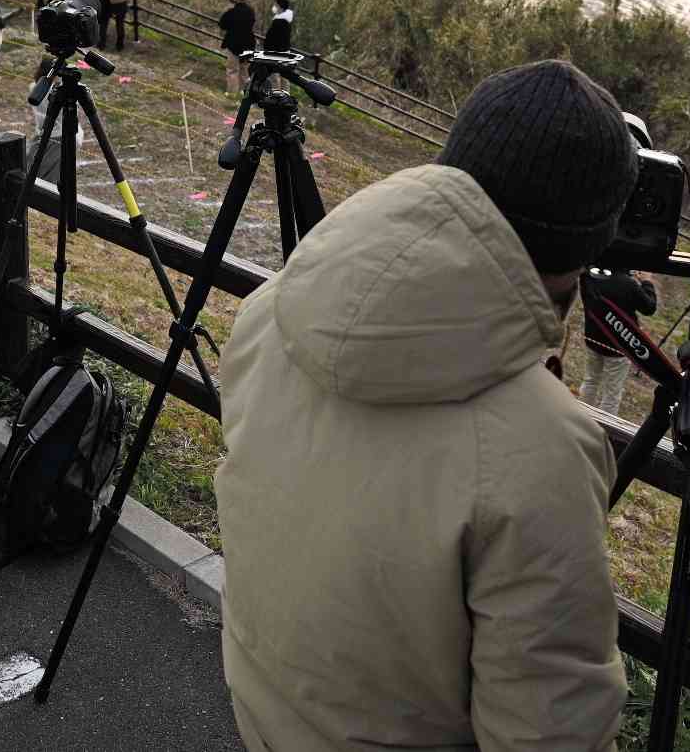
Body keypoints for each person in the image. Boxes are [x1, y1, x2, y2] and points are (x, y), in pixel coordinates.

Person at [215, 59, 630, 751]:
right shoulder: (540, 447)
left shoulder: (273, 308)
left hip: (265, 713)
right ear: (587, 243)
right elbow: (550, 726)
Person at [580, 271, 657, 416]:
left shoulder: (589, 274)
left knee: (590, 380)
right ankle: (605, 429)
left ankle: (581, 417)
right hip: (619, 345)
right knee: (612, 392)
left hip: (593, 337)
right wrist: (647, 282)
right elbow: (649, 308)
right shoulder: (628, 284)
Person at [217, 0, 257, 94]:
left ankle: (231, 93)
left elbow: (222, 24)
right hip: (248, 44)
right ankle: (246, 95)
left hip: (233, 44)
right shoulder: (250, 11)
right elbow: (252, 23)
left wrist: (228, 9)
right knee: (245, 72)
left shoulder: (232, 12)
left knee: (232, 70)